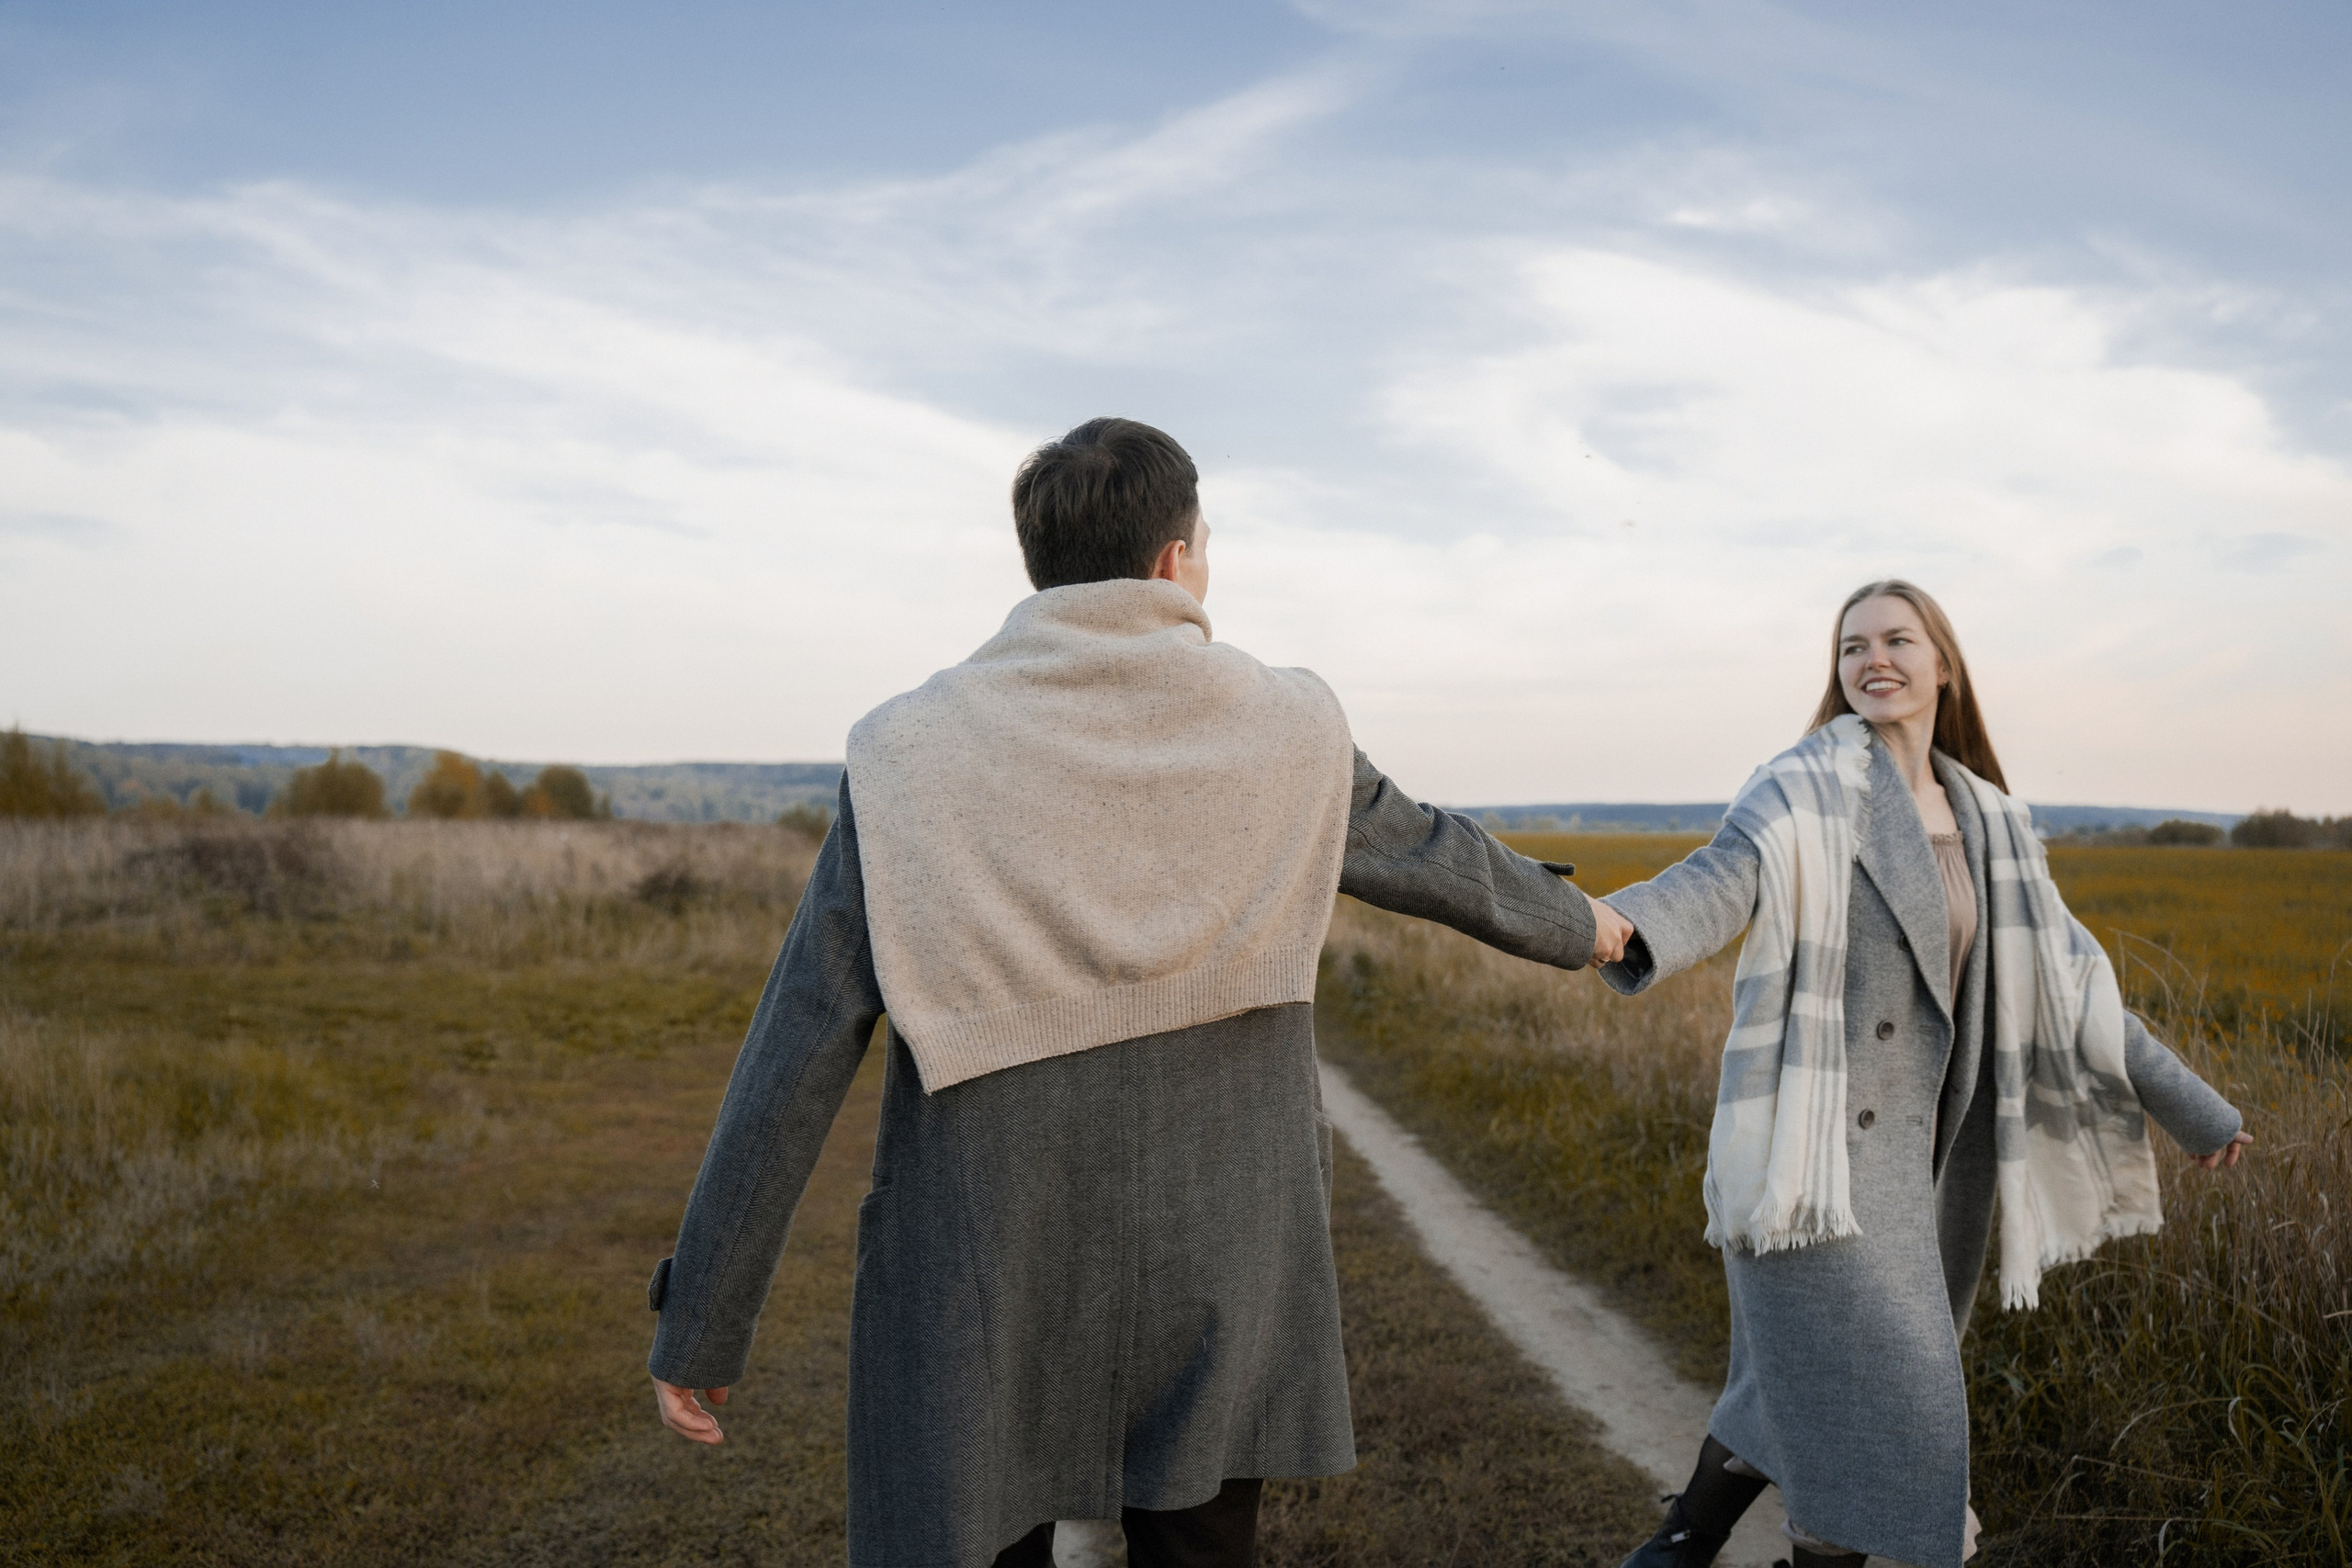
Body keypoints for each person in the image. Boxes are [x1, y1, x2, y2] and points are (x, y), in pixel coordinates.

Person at [644, 416, 1636, 1568]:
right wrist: (1590, 928)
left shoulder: (906, 749)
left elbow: (800, 1041)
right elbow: (1431, 852)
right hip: (1223, 1231)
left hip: (982, 1250)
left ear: (1041, 563)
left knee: (973, 1523)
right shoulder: (1290, 722)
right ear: (1175, 558)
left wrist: (703, 1313)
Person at [1603, 580, 2252, 1568]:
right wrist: (1622, 924)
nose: (1873, 660)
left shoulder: (1991, 822)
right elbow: (1716, 878)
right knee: (1888, 1406)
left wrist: (2194, 1110)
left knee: (1807, 1384)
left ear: (1942, 665)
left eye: (1896, 641)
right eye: (1851, 646)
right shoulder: (1797, 790)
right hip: (1815, 1165)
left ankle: (1679, 1542)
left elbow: (2075, 988)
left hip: (1934, 1167)